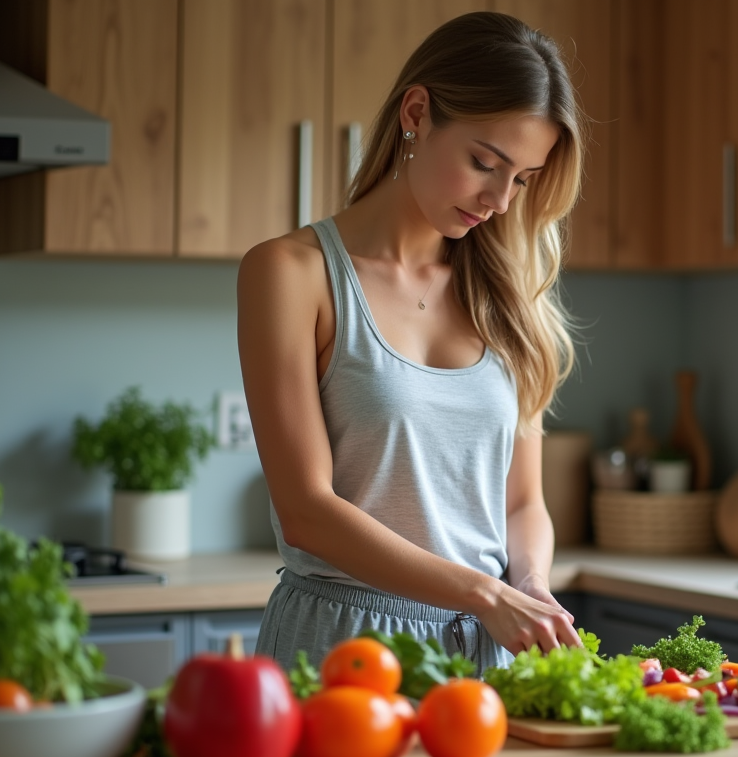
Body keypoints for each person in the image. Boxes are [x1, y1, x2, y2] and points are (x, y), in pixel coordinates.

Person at [238, 11, 586, 676]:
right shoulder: (290, 273)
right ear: (417, 114)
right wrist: (487, 594)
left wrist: (530, 586)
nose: (501, 199)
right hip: (345, 650)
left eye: (521, 178)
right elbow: (306, 511)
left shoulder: (510, 298)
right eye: (485, 163)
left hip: (485, 655)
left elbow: (521, 502)